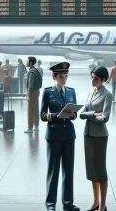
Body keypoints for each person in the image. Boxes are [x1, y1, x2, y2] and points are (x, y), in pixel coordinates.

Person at [40, 62, 80, 211]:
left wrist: (73, 114)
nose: (64, 79)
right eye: (62, 76)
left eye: (66, 76)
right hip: (54, 135)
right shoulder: (48, 92)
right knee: (53, 170)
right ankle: (50, 204)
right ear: (54, 76)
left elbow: (74, 115)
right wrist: (58, 115)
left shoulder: (71, 92)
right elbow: (43, 116)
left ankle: (68, 203)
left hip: (69, 135)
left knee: (69, 171)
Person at [79, 66, 112, 211]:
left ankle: (103, 204)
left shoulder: (107, 95)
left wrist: (90, 114)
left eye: (96, 78)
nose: (93, 80)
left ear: (103, 79)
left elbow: (105, 118)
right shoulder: (91, 92)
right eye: (92, 77)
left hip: (99, 136)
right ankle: (96, 202)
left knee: (100, 170)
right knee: (92, 170)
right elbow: (81, 114)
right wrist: (94, 114)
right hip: (88, 134)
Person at [25, 56, 43, 134]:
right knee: (35, 109)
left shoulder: (31, 72)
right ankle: (36, 126)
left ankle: (30, 128)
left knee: (30, 110)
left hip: (32, 92)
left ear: (31, 62)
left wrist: (28, 95)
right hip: (37, 91)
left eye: (27, 61)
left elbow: (30, 85)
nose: (26, 62)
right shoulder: (35, 70)